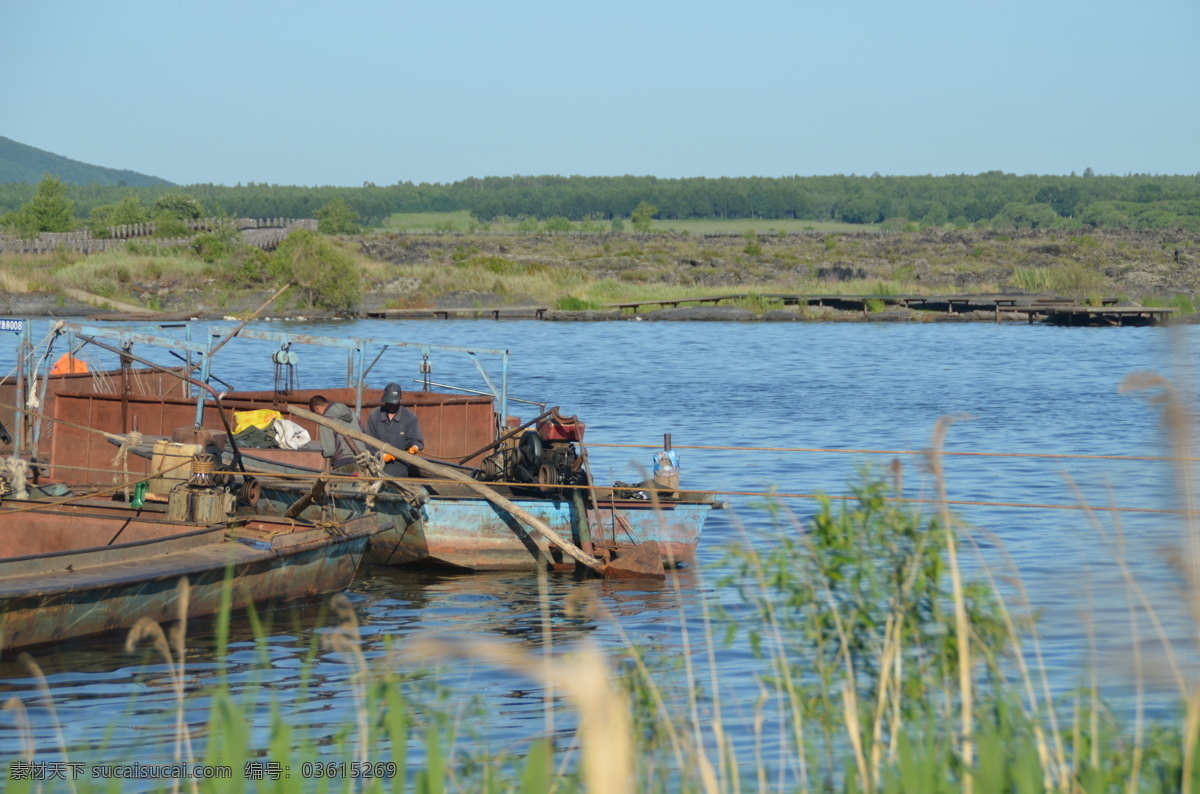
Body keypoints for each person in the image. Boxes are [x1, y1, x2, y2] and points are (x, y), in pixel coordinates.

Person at [363, 382, 424, 478]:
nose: (391, 406)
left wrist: (415, 446)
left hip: (400, 471)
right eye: (389, 403)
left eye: (394, 404)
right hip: (376, 469)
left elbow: (415, 439)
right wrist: (380, 455)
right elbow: (368, 442)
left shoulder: (409, 417)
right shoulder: (374, 415)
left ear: (399, 401)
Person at [309, 395, 360, 475]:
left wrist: (324, 453)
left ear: (316, 408)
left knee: (337, 486)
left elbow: (329, 451)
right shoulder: (352, 412)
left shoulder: (325, 419)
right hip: (361, 460)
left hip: (343, 464)